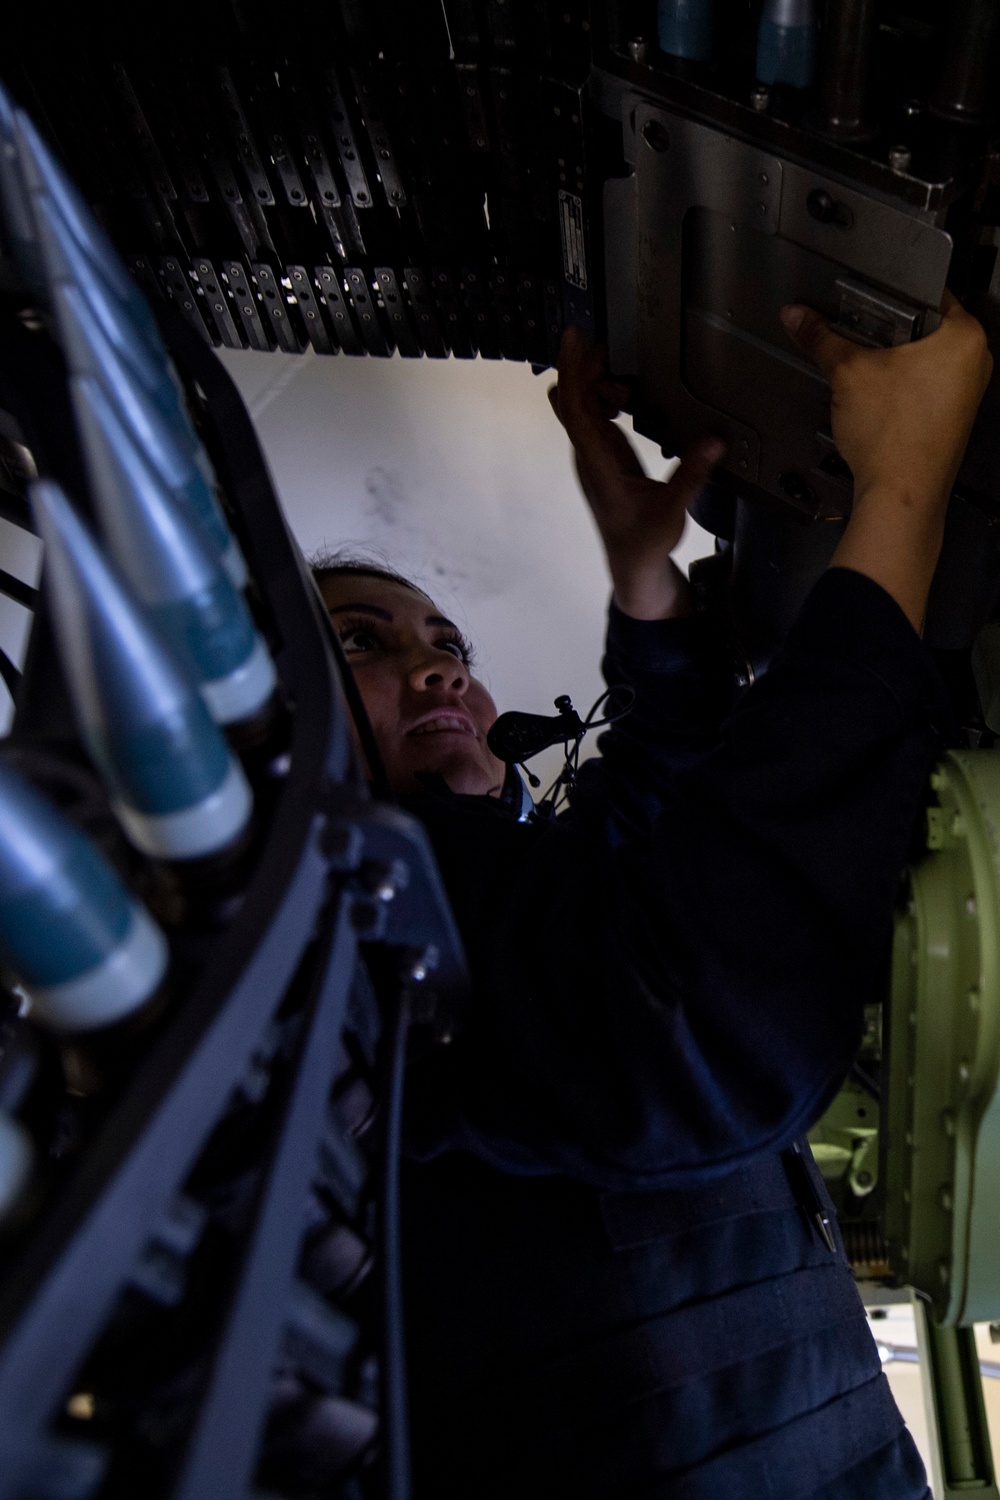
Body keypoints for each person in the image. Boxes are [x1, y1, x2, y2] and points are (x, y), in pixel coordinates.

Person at [314, 295, 992, 1499]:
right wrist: (899, 500)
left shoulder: (483, 892)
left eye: (445, 640)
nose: (440, 665)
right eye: (361, 643)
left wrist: (643, 574)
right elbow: (704, 1028)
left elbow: (641, 818)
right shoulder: (344, 917)